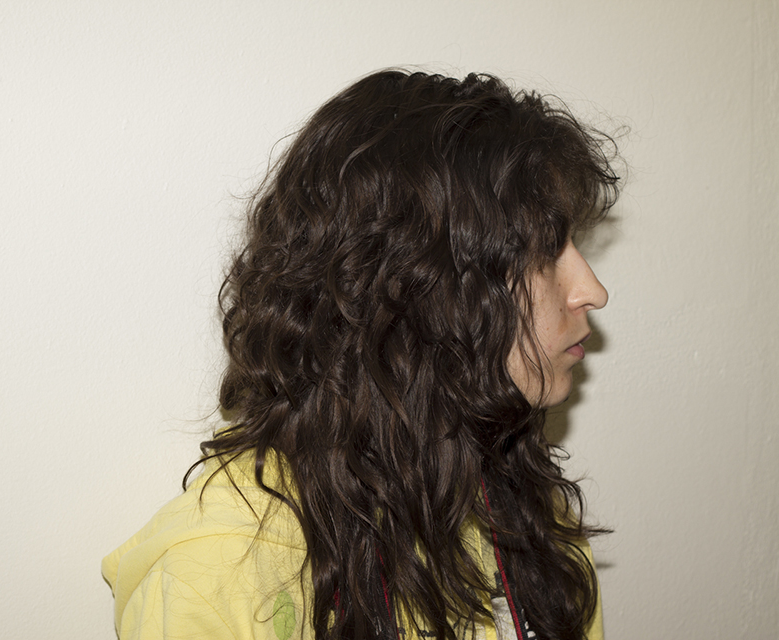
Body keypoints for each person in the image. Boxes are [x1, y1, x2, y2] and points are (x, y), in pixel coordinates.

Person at [103, 69, 620, 640]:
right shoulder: (217, 575)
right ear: (412, 287)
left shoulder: (530, 521)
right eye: (543, 251)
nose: (592, 290)